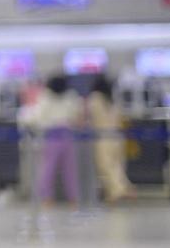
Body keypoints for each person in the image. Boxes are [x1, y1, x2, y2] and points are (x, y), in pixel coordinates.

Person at [19, 75, 83, 205]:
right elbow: (78, 116)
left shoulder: (46, 96)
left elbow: (37, 117)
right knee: (70, 170)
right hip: (68, 135)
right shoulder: (71, 96)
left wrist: (26, 120)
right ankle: (73, 199)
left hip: (51, 136)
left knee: (47, 169)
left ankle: (47, 198)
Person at [87, 75, 134, 203]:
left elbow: (91, 117)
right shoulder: (112, 98)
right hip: (118, 136)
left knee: (105, 166)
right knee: (117, 165)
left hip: (103, 136)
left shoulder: (94, 98)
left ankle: (117, 192)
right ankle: (125, 188)